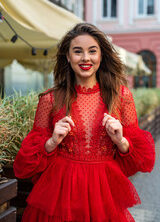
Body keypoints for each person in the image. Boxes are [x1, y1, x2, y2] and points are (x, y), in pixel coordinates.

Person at [13, 23, 155, 222]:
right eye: (77, 51)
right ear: (68, 57)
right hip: (60, 192)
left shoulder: (121, 96)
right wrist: (51, 142)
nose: (85, 58)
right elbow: (24, 163)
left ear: (101, 56)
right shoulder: (50, 99)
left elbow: (143, 158)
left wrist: (121, 141)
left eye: (92, 51)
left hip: (104, 192)